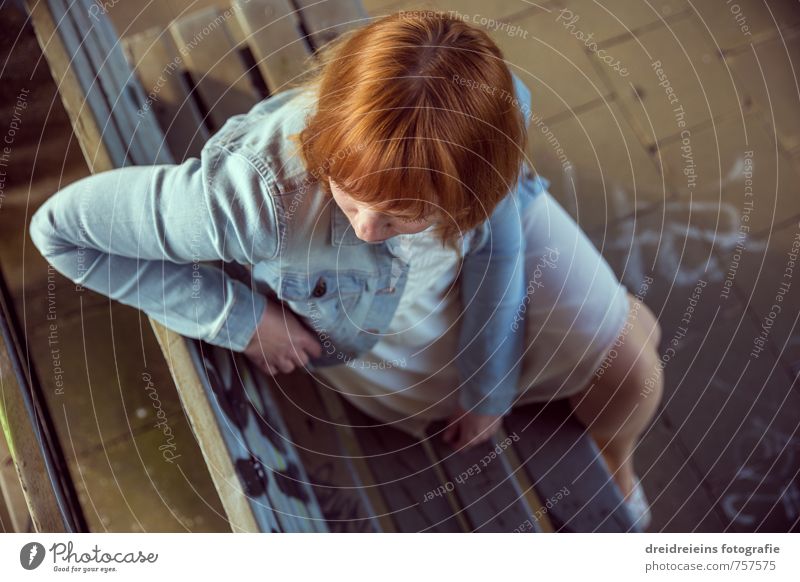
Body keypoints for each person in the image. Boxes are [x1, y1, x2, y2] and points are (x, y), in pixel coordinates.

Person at [29, 11, 662, 528]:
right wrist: (240, 318)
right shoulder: (252, 201)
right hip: (392, 328)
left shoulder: (492, 125)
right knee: (632, 342)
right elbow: (60, 233)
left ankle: (615, 460)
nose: (364, 229)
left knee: (636, 362)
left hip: (475, 254)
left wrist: (489, 387)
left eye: (397, 217)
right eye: (351, 197)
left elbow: (496, 245)